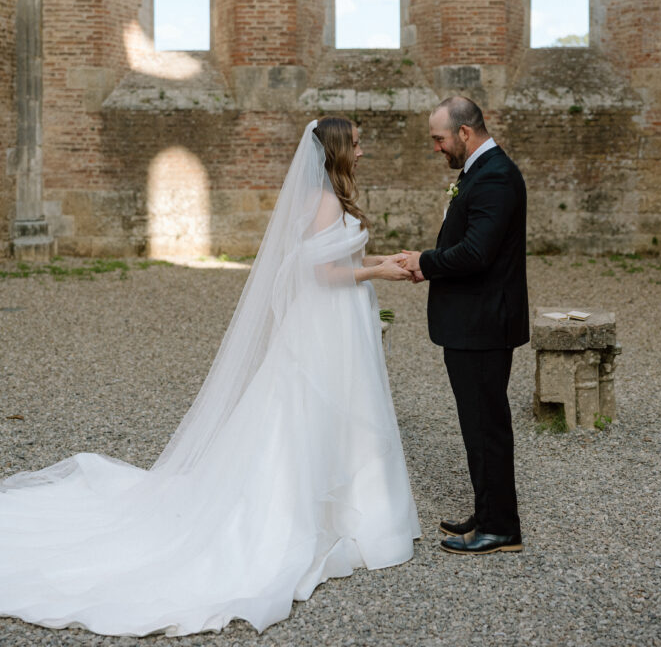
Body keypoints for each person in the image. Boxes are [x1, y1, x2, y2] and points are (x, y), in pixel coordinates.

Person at [0, 117, 420, 637]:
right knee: (310, 410)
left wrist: (387, 260)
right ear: (335, 149)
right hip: (326, 322)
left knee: (339, 409)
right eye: (355, 144)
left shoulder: (332, 197)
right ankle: (308, 515)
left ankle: (353, 510)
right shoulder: (326, 202)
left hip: (341, 319)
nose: (363, 151)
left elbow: (340, 256)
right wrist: (377, 272)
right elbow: (317, 273)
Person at [401, 96, 528, 555]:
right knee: (477, 423)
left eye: (439, 139)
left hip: (483, 325)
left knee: (486, 424)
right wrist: (427, 264)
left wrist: (424, 262)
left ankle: (500, 528)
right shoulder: (480, 171)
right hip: (476, 321)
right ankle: (488, 510)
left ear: (465, 133)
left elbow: (477, 253)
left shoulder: (494, 176)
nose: (437, 148)